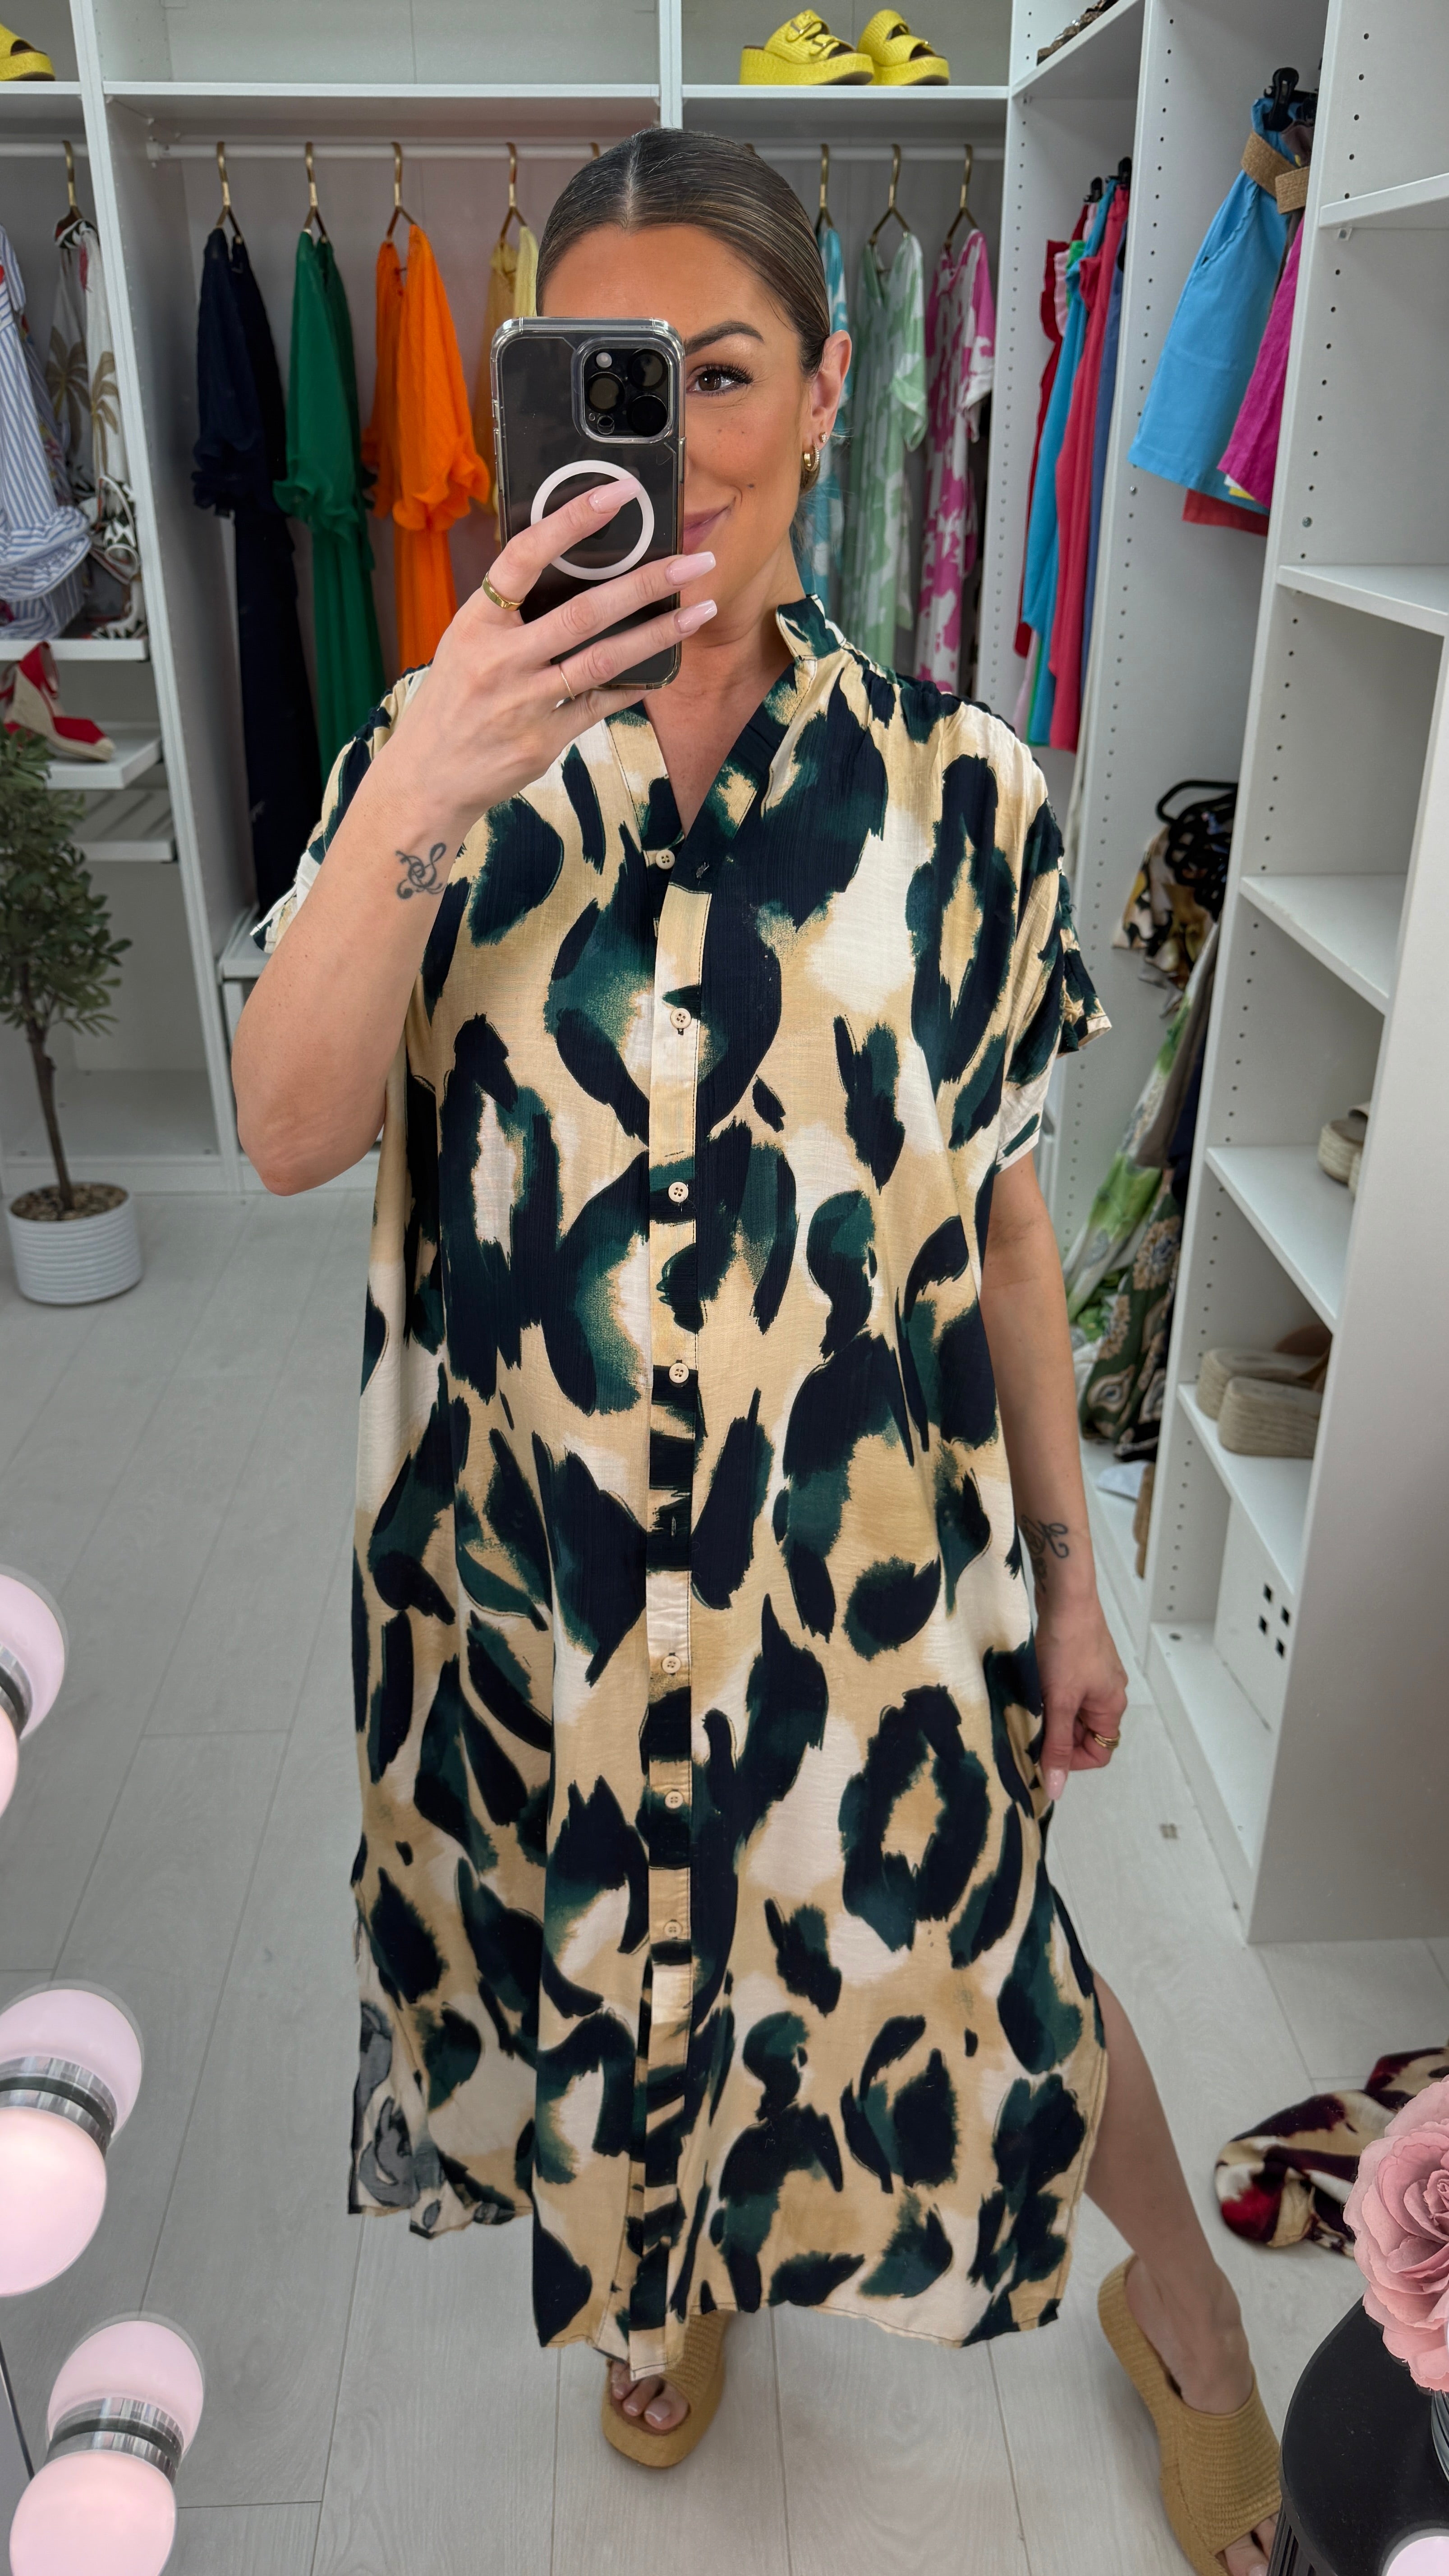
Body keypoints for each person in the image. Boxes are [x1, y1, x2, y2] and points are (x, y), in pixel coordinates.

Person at [233, 127, 1279, 2576]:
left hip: (862, 1591)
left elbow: (1005, 1216)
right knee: (612, 1968)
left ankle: (1197, 2323)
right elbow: (285, 1132)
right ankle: (663, 2278)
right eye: (614, 376)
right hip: (552, 1588)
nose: (677, 438)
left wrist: (1074, 1579)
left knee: (991, 1972)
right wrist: (427, 783)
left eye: (722, 372)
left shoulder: (970, 797)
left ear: (831, 392)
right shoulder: (437, 764)